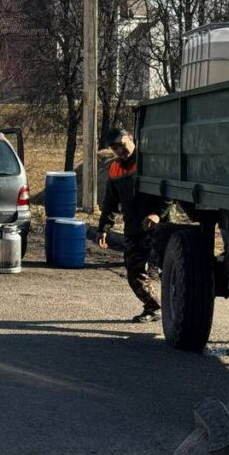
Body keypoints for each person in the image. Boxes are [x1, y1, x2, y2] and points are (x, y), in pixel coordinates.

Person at [97, 128, 173, 323]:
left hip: (158, 227)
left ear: (131, 138)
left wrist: (158, 214)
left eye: (122, 145)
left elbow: (169, 191)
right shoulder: (114, 169)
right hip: (133, 229)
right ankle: (153, 307)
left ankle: (179, 309)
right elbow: (110, 203)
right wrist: (104, 228)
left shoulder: (149, 163)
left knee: (164, 270)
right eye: (115, 148)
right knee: (134, 272)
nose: (120, 151)